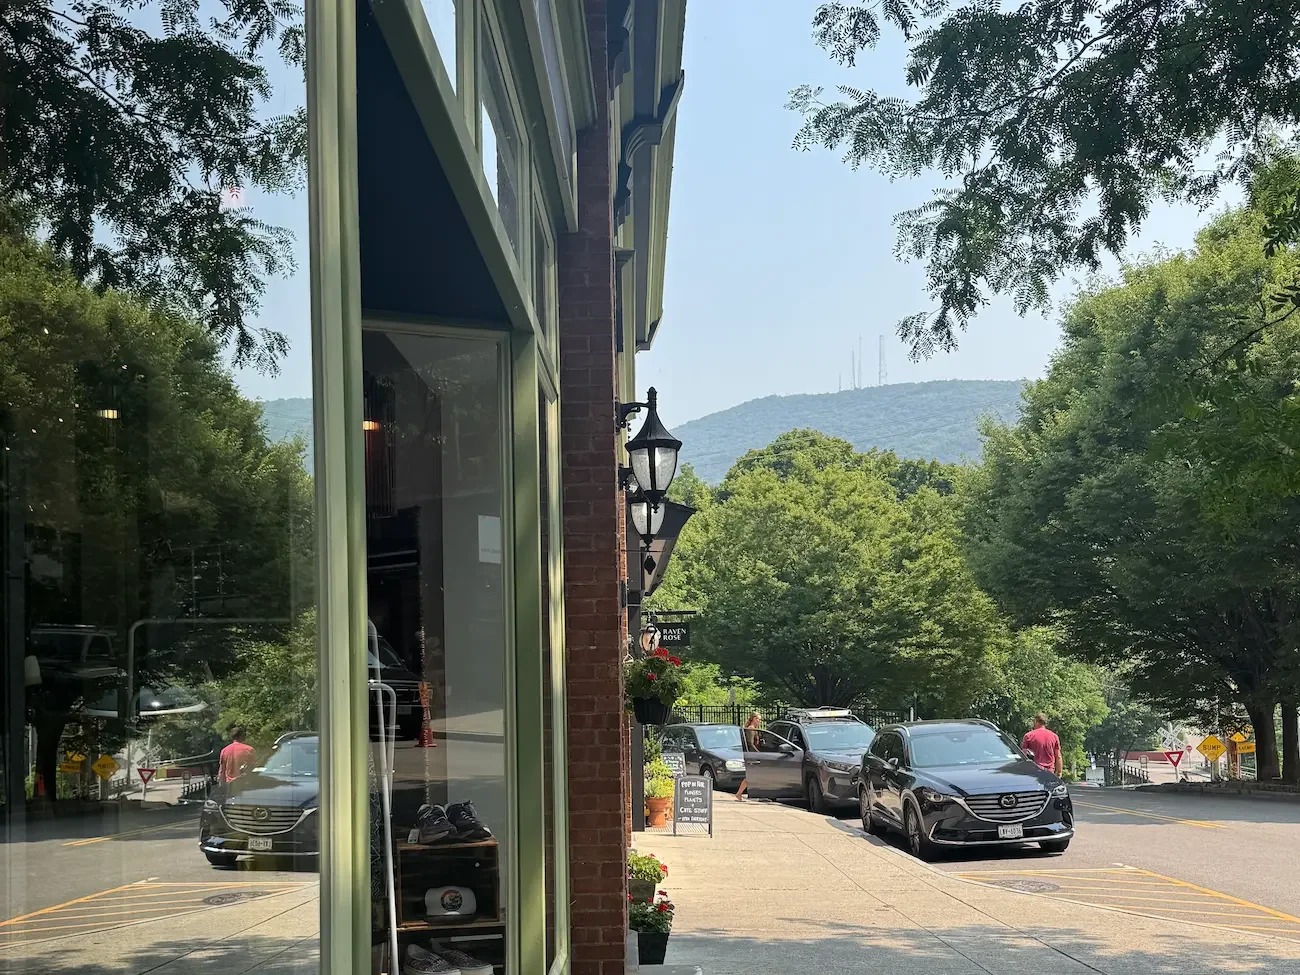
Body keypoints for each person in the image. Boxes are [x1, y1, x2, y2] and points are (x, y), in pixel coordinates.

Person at [1021, 712, 1063, 777]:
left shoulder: (1028, 736)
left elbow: (1024, 755)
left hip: (1034, 771)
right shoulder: (1054, 736)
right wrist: (1059, 771)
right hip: (1049, 771)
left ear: (1035, 721)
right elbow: (1058, 756)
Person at [735, 713, 761, 801]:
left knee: (753, 775)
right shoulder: (750, 729)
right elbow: (750, 743)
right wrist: (758, 753)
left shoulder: (754, 729)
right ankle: (739, 793)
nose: (759, 721)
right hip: (752, 755)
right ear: (753, 719)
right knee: (751, 775)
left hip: (753, 754)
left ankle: (744, 793)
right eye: (758, 719)